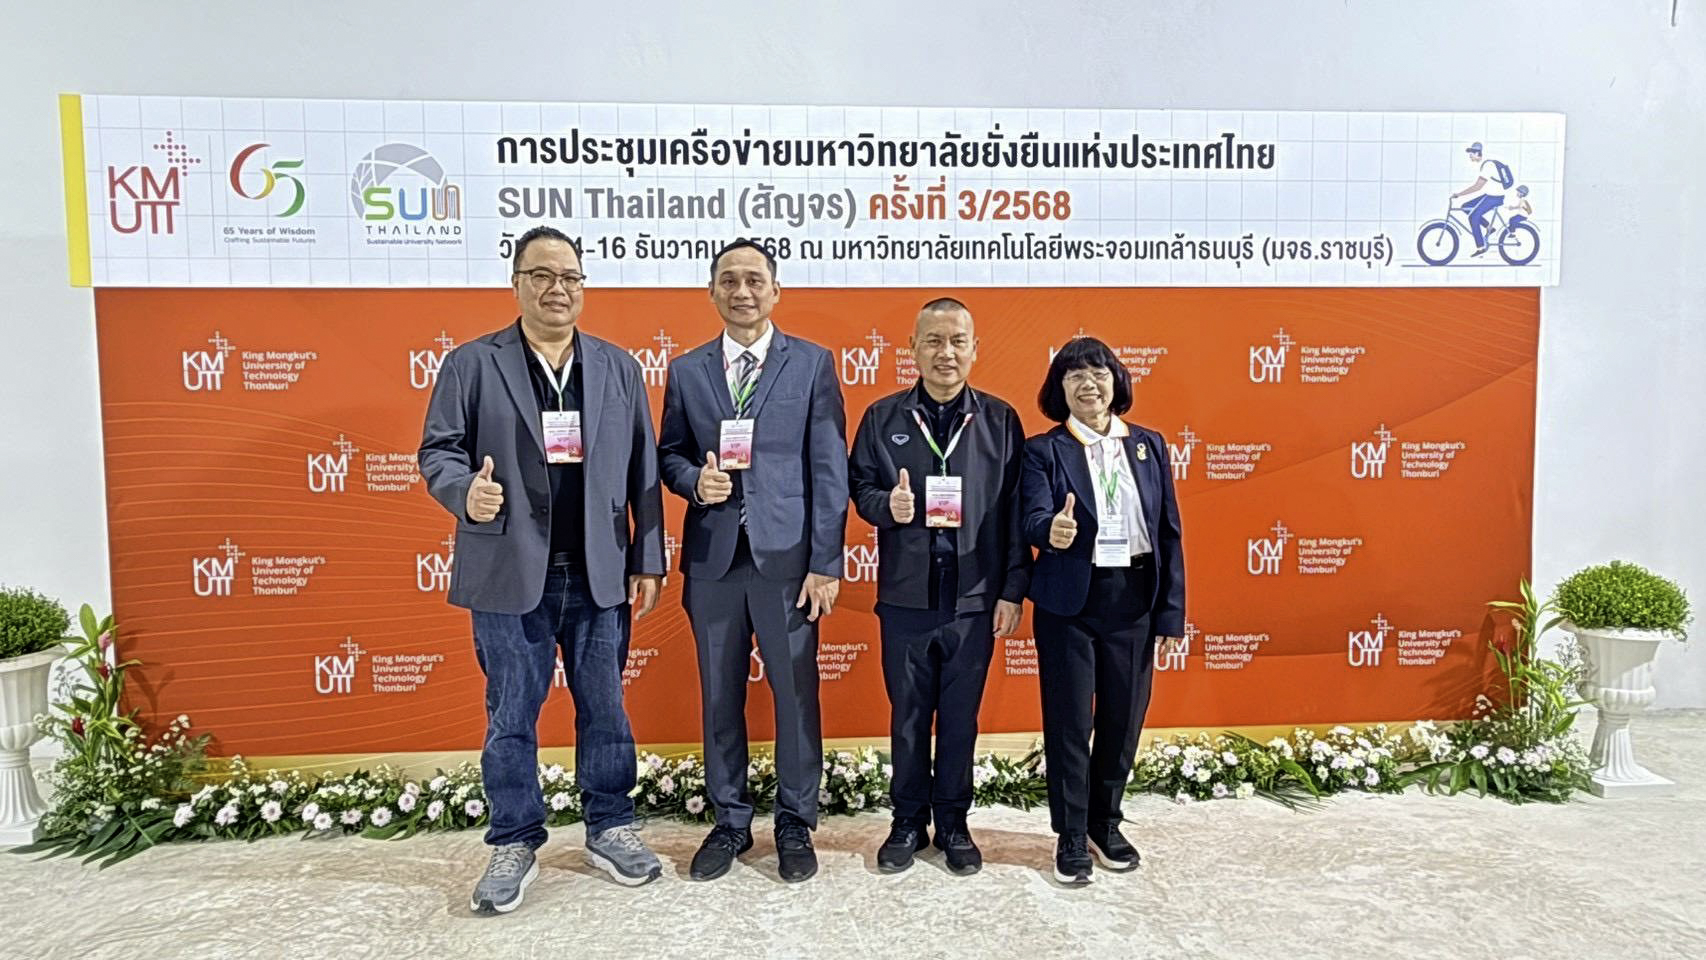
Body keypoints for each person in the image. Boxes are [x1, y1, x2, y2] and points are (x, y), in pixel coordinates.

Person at [418, 225, 668, 912]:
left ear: (582, 286)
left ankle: (610, 825)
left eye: (570, 277)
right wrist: (464, 491)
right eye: (542, 275)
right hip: (508, 569)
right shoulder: (472, 364)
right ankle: (514, 839)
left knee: (606, 708)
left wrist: (648, 557)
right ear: (517, 283)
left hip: (599, 571)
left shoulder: (618, 367)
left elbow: (644, 469)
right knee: (510, 714)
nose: (558, 289)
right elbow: (438, 451)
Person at [658, 239, 848, 883]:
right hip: (714, 560)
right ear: (712, 291)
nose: (742, 291)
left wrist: (825, 562)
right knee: (719, 695)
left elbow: (829, 467)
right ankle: (731, 820)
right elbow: (670, 454)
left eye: (754, 280)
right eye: (729, 280)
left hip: (789, 562)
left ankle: (794, 821)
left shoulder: (812, 363)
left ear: (775, 290)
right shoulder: (687, 370)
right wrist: (694, 482)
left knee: (795, 693)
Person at [848, 298, 1029, 875]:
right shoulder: (882, 417)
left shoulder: (1000, 420)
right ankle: (907, 820)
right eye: (933, 341)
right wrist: (889, 505)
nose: (945, 353)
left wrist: (1011, 590)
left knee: (959, 719)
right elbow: (860, 487)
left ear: (974, 349)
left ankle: (953, 822)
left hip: (974, 600)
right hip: (907, 597)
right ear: (912, 349)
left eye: (957, 341)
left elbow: (1015, 511)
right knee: (907, 718)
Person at [1019, 336, 1185, 886]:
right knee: (1069, 722)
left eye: (1098, 373)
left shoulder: (1148, 445)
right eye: (1075, 376)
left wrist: (1171, 612)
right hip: (1070, 603)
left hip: (1134, 599)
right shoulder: (1044, 450)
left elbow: (1168, 532)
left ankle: (1105, 822)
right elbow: (1030, 517)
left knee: (1123, 718)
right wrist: (1051, 529)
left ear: (1116, 381)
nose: (1088, 385)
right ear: (1059, 389)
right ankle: (1070, 833)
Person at [1451, 141, 1511, 257]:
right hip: (1490, 195)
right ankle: (1489, 227)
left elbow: (1478, 186)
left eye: (1471, 154)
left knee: (1473, 216)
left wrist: (1459, 194)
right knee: (1465, 207)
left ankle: (1481, 247)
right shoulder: (1486, 164)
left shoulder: (1487, 166)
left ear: (1478, 153)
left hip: (1495, 197)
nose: (1470, 156)